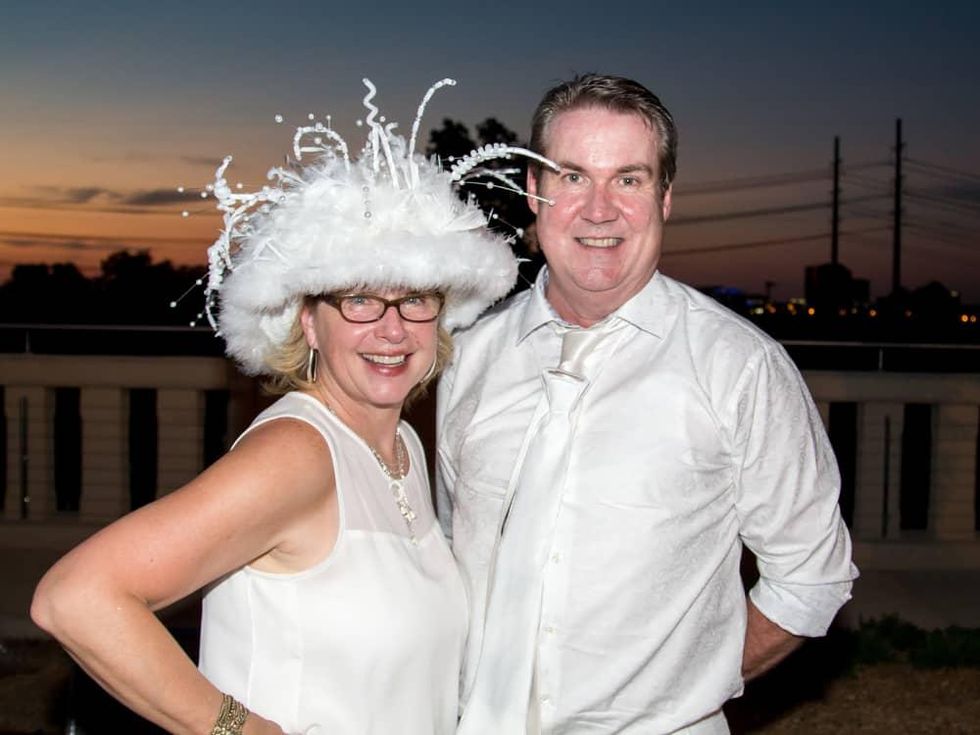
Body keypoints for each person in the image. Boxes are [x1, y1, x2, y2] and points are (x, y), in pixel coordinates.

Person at [31, 78, 541, 735]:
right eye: (359, 300)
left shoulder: (401, 445)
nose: (392, 329)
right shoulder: (297, 454)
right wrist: (240, 729)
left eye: (415, 298)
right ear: (308, 319)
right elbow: (76, 597)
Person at [436, 73, 859, 734]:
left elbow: (813, 577)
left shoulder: (738, 368)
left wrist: (691, 681)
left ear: (664, 199)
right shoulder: (468, 361)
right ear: (533, 192)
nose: (598, 210)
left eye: (628, 179)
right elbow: (451, 553)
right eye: (572, 176)